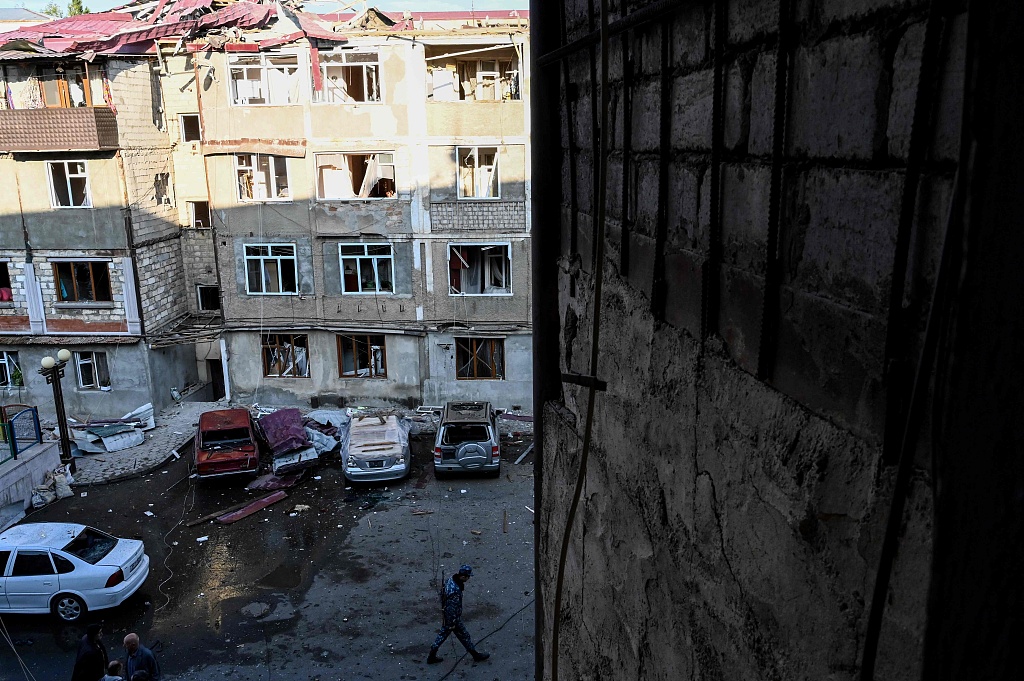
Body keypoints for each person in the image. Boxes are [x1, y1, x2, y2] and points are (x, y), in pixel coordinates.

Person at [427, 564, 489, 664]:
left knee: (445, 635)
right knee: (463, 635)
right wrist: (452, 623)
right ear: (463, 576)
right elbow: (452, 608)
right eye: (468, 576)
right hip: (452, 618)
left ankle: (432, 655)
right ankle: (475, 655)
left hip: (449, 616)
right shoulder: (455, 591)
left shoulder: (450, 580)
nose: (468, 579)